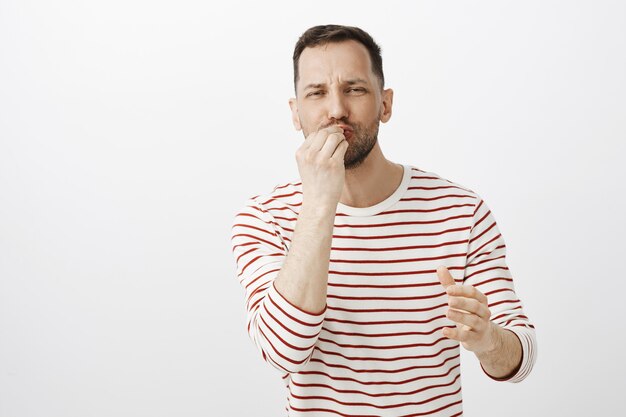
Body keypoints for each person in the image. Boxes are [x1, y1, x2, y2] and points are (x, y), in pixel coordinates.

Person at [230, 24, 537, 416]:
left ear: (385, 104)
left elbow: (521, 359)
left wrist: (488, 340)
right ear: (295, 113)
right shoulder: (264, 218)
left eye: (354, 89)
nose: (337, 109)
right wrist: (320, 203)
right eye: (317, 93)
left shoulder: (461, 211)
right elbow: (281, 352)